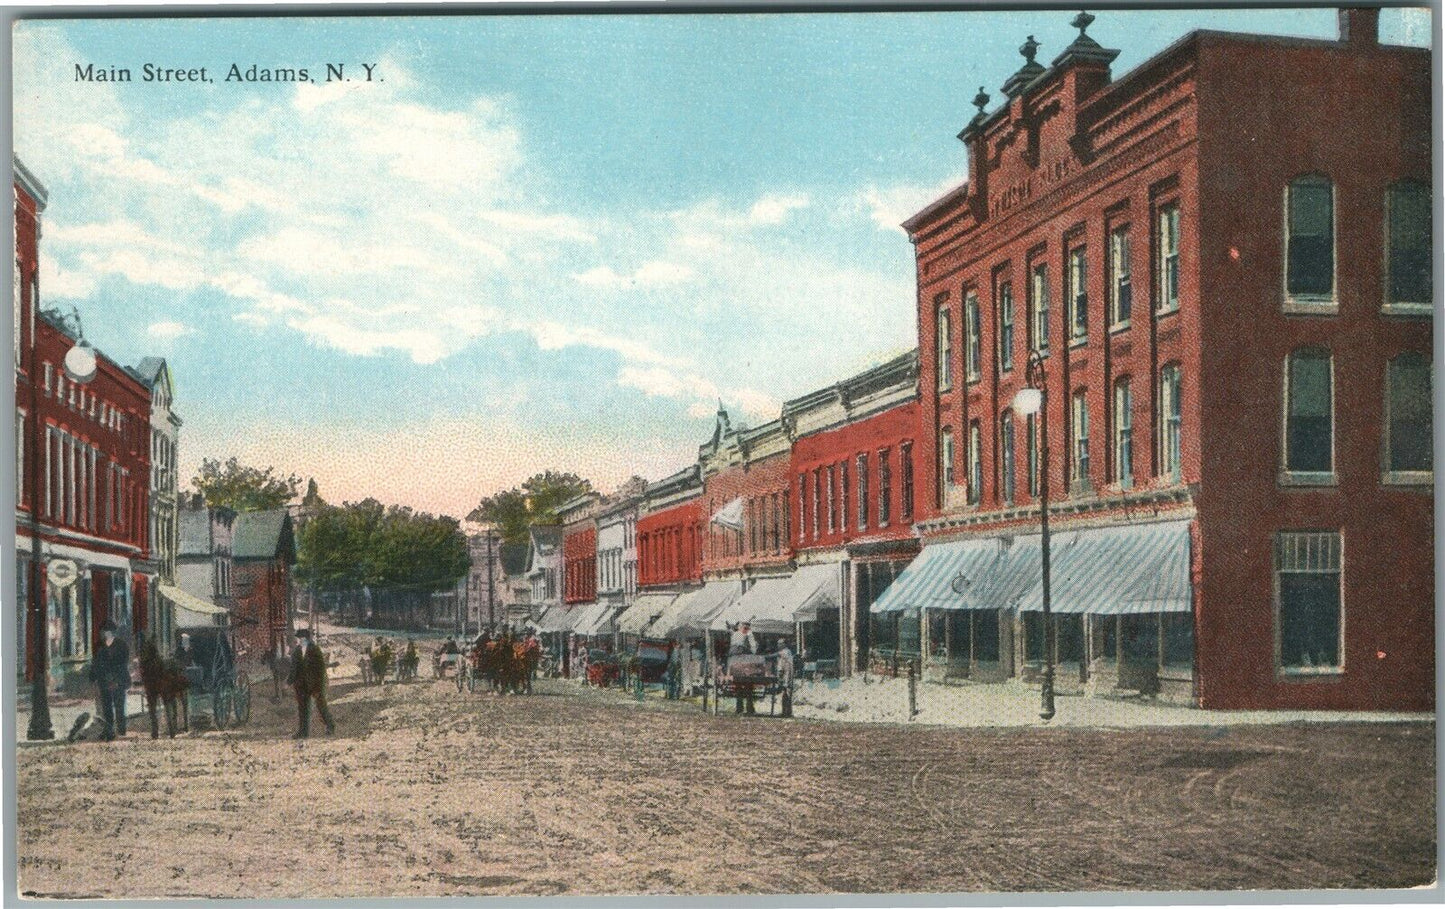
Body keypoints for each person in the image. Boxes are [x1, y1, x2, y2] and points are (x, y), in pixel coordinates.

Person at [287, 629, 335, 738]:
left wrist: (319, 686)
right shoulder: (297, 651)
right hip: (302, 685)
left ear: (305, 639)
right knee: (303, 708)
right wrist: (289, 682)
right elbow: (294, 669)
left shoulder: (315, 649)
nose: (298, 640)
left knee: (321, 706)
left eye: (300, 638)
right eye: (298, 638)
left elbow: (320, 669)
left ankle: (330, 726)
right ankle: (303, 732)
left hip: (315, 683)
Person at [90, 620, 131, 741]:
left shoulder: (121, 645)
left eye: (108, 631)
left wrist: (117, 678)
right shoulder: (99, 645)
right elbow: (96, 662)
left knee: (119, 706)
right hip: (104, 680)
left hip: (118, 680)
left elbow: (123, 663)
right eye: (104, 632)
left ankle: (121, 730)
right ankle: (109, 729)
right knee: (106, 706)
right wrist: (93, 677)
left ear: (112, 632)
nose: (106, 634)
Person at [728, 622, 758, 715]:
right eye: (744, 627)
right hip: (741, 659)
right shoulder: (745, 634)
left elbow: (753, 646)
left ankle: (742, 708)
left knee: (742, 686)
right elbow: (753, 647)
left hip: (738, 659)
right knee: (745, 686)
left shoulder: (739, 634)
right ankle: (746, 708)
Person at [774, 639, 795, 718]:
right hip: (785, 675)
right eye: (778, 644)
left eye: (780, 644)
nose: (778, 645)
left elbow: (781, 667)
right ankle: (785, 712)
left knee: (787, 694)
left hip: (787, 676)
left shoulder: (785, 652)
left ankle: (787, 713)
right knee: (785, 694)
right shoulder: (786, 652)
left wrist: (780, 675)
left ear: (784, 644)